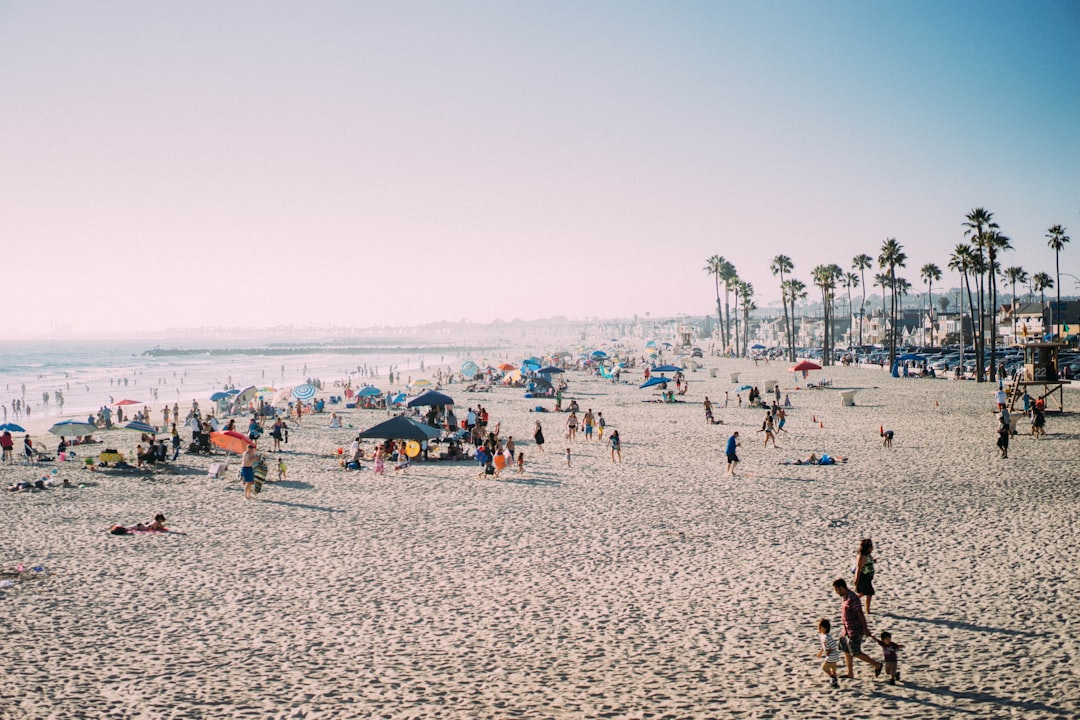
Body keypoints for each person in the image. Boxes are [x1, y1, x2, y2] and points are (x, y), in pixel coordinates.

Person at [832, 578, 883, 679]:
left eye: (836, 589)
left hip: (855, 630)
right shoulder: (846, 597)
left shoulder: (852, 598)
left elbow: (860, 614)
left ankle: (876, 664)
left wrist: (865, 628)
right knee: (845, 649)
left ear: (841, 588)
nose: (836, 592)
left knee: (855, 652)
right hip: (846, 630)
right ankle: (850, 672)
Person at [817, 618, 841, 688]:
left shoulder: (827, 637)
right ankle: (834, 681)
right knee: (833, 669)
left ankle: (832, 677)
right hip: (833, 655)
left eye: (820, 627)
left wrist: (829, 651)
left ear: (825, 628)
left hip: (832, 655)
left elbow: (834, 645)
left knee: (824, 668)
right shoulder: (822, 636)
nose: (819, 628)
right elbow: (823, 645)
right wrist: (820, 652)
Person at [853, 538, 876, 614]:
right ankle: (853, 602)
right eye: (871, 547)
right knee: (867, 592)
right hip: (863, 577)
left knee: (866, 593)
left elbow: (869, 562)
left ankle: (867, 609)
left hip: (868, 577)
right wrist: (856, 579)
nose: (872, 548)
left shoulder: (867, 555)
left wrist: (873, 561)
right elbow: (858, 568)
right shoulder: (862, 556)